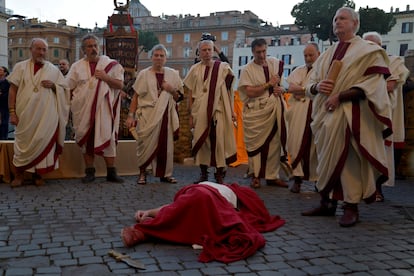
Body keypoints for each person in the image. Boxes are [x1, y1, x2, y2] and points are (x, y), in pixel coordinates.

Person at [302, 7, 392, 227]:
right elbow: (310, 83)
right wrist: (317, 87)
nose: (337, 22)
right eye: (335, 19)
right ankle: (327, 203)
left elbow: (373, 84)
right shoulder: (327, 53)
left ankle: (351, 206)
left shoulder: (368, 51)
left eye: (342, 18)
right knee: (325, 158)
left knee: (349, 160)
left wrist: (340, 96)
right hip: (325, 114)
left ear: (355, 23)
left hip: (352, 115)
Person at [120, 181, 285, 263]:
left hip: (210, 199)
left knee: (191, 218)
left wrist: (148, 212)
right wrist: (148, 212)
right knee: (186, 213)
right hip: (200, 194)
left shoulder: (236, 194)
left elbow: (174, 207)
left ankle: (143, 232)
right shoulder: (231, 190)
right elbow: (176, 206)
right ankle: (143, 232)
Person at [7, 38, 70, 187]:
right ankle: (19, 175)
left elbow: (65, 90)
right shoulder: (20, 67)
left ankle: (38, 175)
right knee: (22, 144)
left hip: (46, 117)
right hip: (25, 115)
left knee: (43, 141)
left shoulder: (54, 70)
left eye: (44, 50)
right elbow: (13, 90)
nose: (41, 52)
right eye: (38, 49)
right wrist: (12, 112)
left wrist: (54, 86)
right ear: (31, 49)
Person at [66, 34, 124, 183]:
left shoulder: (111, 65)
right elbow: (67, 87)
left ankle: (111, 172)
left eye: (95, 46)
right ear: (83, 49)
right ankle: (89, 172)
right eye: (89, 46)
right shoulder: (76, 66)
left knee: (108, 138)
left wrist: (106, 77)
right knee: (86, 139)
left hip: (104, 109)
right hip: (82, 110)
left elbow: (120, 85)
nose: (93, 49)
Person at [126, 44, 183, 185]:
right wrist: (130, 115)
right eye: (156, 55)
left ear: (166, 58)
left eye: (161, 56)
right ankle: (142, 173)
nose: (158, 58)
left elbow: (179, 97)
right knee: (144, 145)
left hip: (165, 115)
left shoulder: (173, 74)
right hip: (147, 115)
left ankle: (166, 174)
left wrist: (170, 89)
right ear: (151, 57)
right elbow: (136, 97)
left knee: (166, 147)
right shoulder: (143, 74)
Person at [362, 31, 410, 201]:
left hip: (385, 114)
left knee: (382, 153)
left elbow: (389, 86)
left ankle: (378, 189)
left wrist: (363, 88)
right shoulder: (361, 64)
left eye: (372, 46)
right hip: (365, 114)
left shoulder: (394, 61)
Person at [184, 39, 237, 184]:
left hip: (218, 110)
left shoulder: (223, 68)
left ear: (213, 51)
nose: (207, 53)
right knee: (202, 141)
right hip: (199, 111)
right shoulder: (194, 69)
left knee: (219, 142)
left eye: (209, 50)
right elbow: (190, 93)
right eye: (204, 50)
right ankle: (203, 173)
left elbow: (229, 90)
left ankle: (219, 173)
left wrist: (231, 111)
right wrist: (190, 115)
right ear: (199, 52)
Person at [237, 38, 288, 189]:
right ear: (252, 52)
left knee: (274, 143)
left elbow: (280, 85)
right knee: (254, 145)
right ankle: (256, 175)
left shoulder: (274, 63)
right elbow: (249, 92)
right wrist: (269, 85)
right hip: (256, 111)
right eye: (258, 52)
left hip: (274, 107)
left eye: (264, 51)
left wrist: (280, 89)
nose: (262, 55)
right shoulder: (248, 69)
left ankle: (272, 176)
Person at [285, 43, 320, 193]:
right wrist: (309, 90)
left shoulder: (323, 71)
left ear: (318, 53)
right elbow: (292, 89)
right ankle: (297, 178)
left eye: (311, 55)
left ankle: (319, 180)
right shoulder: (298, 70)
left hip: (316, 111)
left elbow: (321, 90)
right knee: (295, 143)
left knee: (316, 147)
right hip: (298, 112)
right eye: (305, 55)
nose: (308, 58)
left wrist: (303, 90)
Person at [0, 66, 10, 140]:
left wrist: (2, 94)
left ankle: (3, 140)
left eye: (0, 70)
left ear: (5, 73)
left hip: (4, 106)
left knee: (4, 123)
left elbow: (10, 94)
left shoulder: (8, 82)